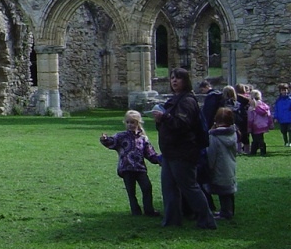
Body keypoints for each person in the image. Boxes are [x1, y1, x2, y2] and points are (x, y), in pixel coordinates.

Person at [152, 67, 216, 229]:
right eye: (172, 78)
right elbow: (168, 125)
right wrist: (160, 121)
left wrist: (164, 116)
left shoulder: (187, 101)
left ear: (185, 81)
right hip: (170, 151)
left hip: (183, 152)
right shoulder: (175, 99)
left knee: (189, 187)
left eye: (178, 78)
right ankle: (172, 221)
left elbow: (183, 125)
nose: (174, 81)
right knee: (169, 188)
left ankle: (207, 220)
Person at [99, 110, 161, 217]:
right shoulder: (121, 136)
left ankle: (149, 210)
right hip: (126, 168)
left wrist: (159, 160)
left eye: (132, 122)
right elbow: (111, 142)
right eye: (127, 122)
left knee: (147, 187)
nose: (130, 125)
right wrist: (104, 139)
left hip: (140, 168)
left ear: (138, 123)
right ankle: (135, 211)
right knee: (131, 191)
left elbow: (150, 153)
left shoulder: (143, 139)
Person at [205, 107, 238, 220]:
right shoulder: (233, 133)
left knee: (223, 192)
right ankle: (228, 210)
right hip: (230, 164)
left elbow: (211, 154)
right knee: (228, 190)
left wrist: (208, 167)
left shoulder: (214, 137)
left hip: (219, 166)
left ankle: (226, 212)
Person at [247, 89, 272, 156]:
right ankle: (260, 151)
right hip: (263, 125)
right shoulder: (265, 106)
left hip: (255, 125)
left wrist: (249, 127)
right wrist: (270, 124)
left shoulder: (252, 108)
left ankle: (255, 151)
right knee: (260, 137)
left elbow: (250, 119)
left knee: (256, 139)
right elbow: (269, 116)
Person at [235, 83, 252, 154]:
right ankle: (247, 149)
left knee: (238, 133)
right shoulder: (248, 98)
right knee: (245, 134)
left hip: (238, 116)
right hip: (245, 116)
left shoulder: (236, 98)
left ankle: (239, 149)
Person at [274, 83, 291, 148]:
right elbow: (276, 109)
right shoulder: (278, 100)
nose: (284, 91)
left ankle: (290, 142)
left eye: (286, 90)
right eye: (283, 90)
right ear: (280, 91)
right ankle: (286, 141)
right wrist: (276, 117)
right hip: (282, 118)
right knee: (283, 131)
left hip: (289, 117)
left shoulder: (290, 99)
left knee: (290, 130)